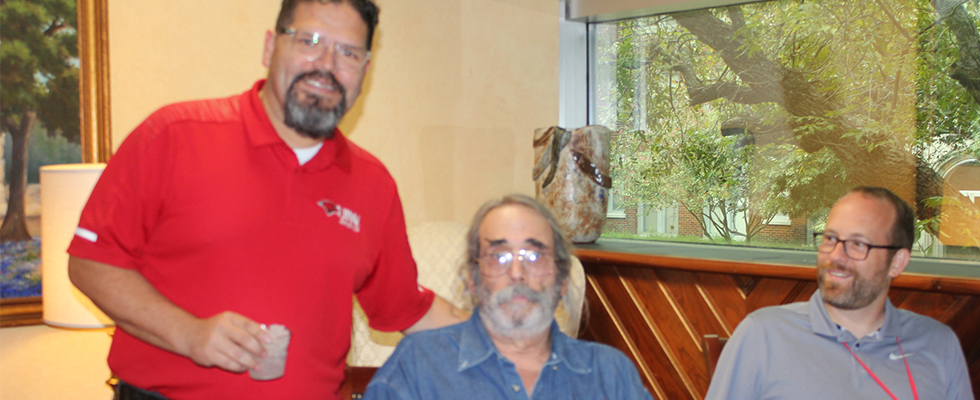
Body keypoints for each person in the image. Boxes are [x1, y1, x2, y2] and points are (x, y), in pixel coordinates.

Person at [67, 1, 466, 399]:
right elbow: (90, 263)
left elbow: (409, 309)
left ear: (364, 70)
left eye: (348, 52)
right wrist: (190, 335)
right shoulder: (174, 136)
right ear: (270, 47)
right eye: (309, 40)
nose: (326, 65)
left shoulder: (373, 185)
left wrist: (514, 335)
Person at [362, 194, 654, 400]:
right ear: (472, 281)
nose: (517, 272)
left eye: (534, 255)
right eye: (499, 256)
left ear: (562, 280)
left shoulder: (610, 373)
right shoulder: (418, 364)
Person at [705, 187, 974, 400]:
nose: (836, 255)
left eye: (857, 244)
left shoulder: (938, 344)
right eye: (830, 239)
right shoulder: (761, 335)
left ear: (897, 262)